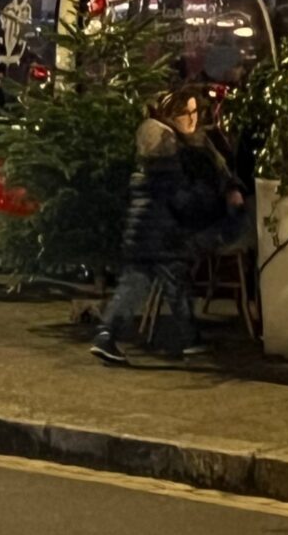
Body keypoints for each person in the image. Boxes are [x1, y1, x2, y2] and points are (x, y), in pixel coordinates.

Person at [92, 89, 247, 364]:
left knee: (134, 286)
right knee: (177, 287)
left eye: (194, 112)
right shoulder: (171, 161)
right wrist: (209, 202)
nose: (192, 118)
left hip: (142, 235)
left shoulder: (150, 162)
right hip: (165, 237)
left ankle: (106, 335)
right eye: (184, 113)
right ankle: (190, 342)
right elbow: (181, 201)